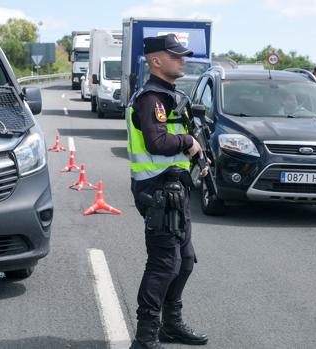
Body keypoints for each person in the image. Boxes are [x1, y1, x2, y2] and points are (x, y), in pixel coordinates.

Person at [127, 34, 209, 349]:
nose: (182, 60)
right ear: (156, 61)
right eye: (176, 56)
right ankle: (146, 337)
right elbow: (156, 143)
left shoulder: (168, 95)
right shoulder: (151, 98)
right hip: (158, 189)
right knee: (163, 264)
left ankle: (170, 326)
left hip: (175, 188)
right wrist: (188, 143)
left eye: (183, 56)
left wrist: (198, 154)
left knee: (184, 261)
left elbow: (173, 132)